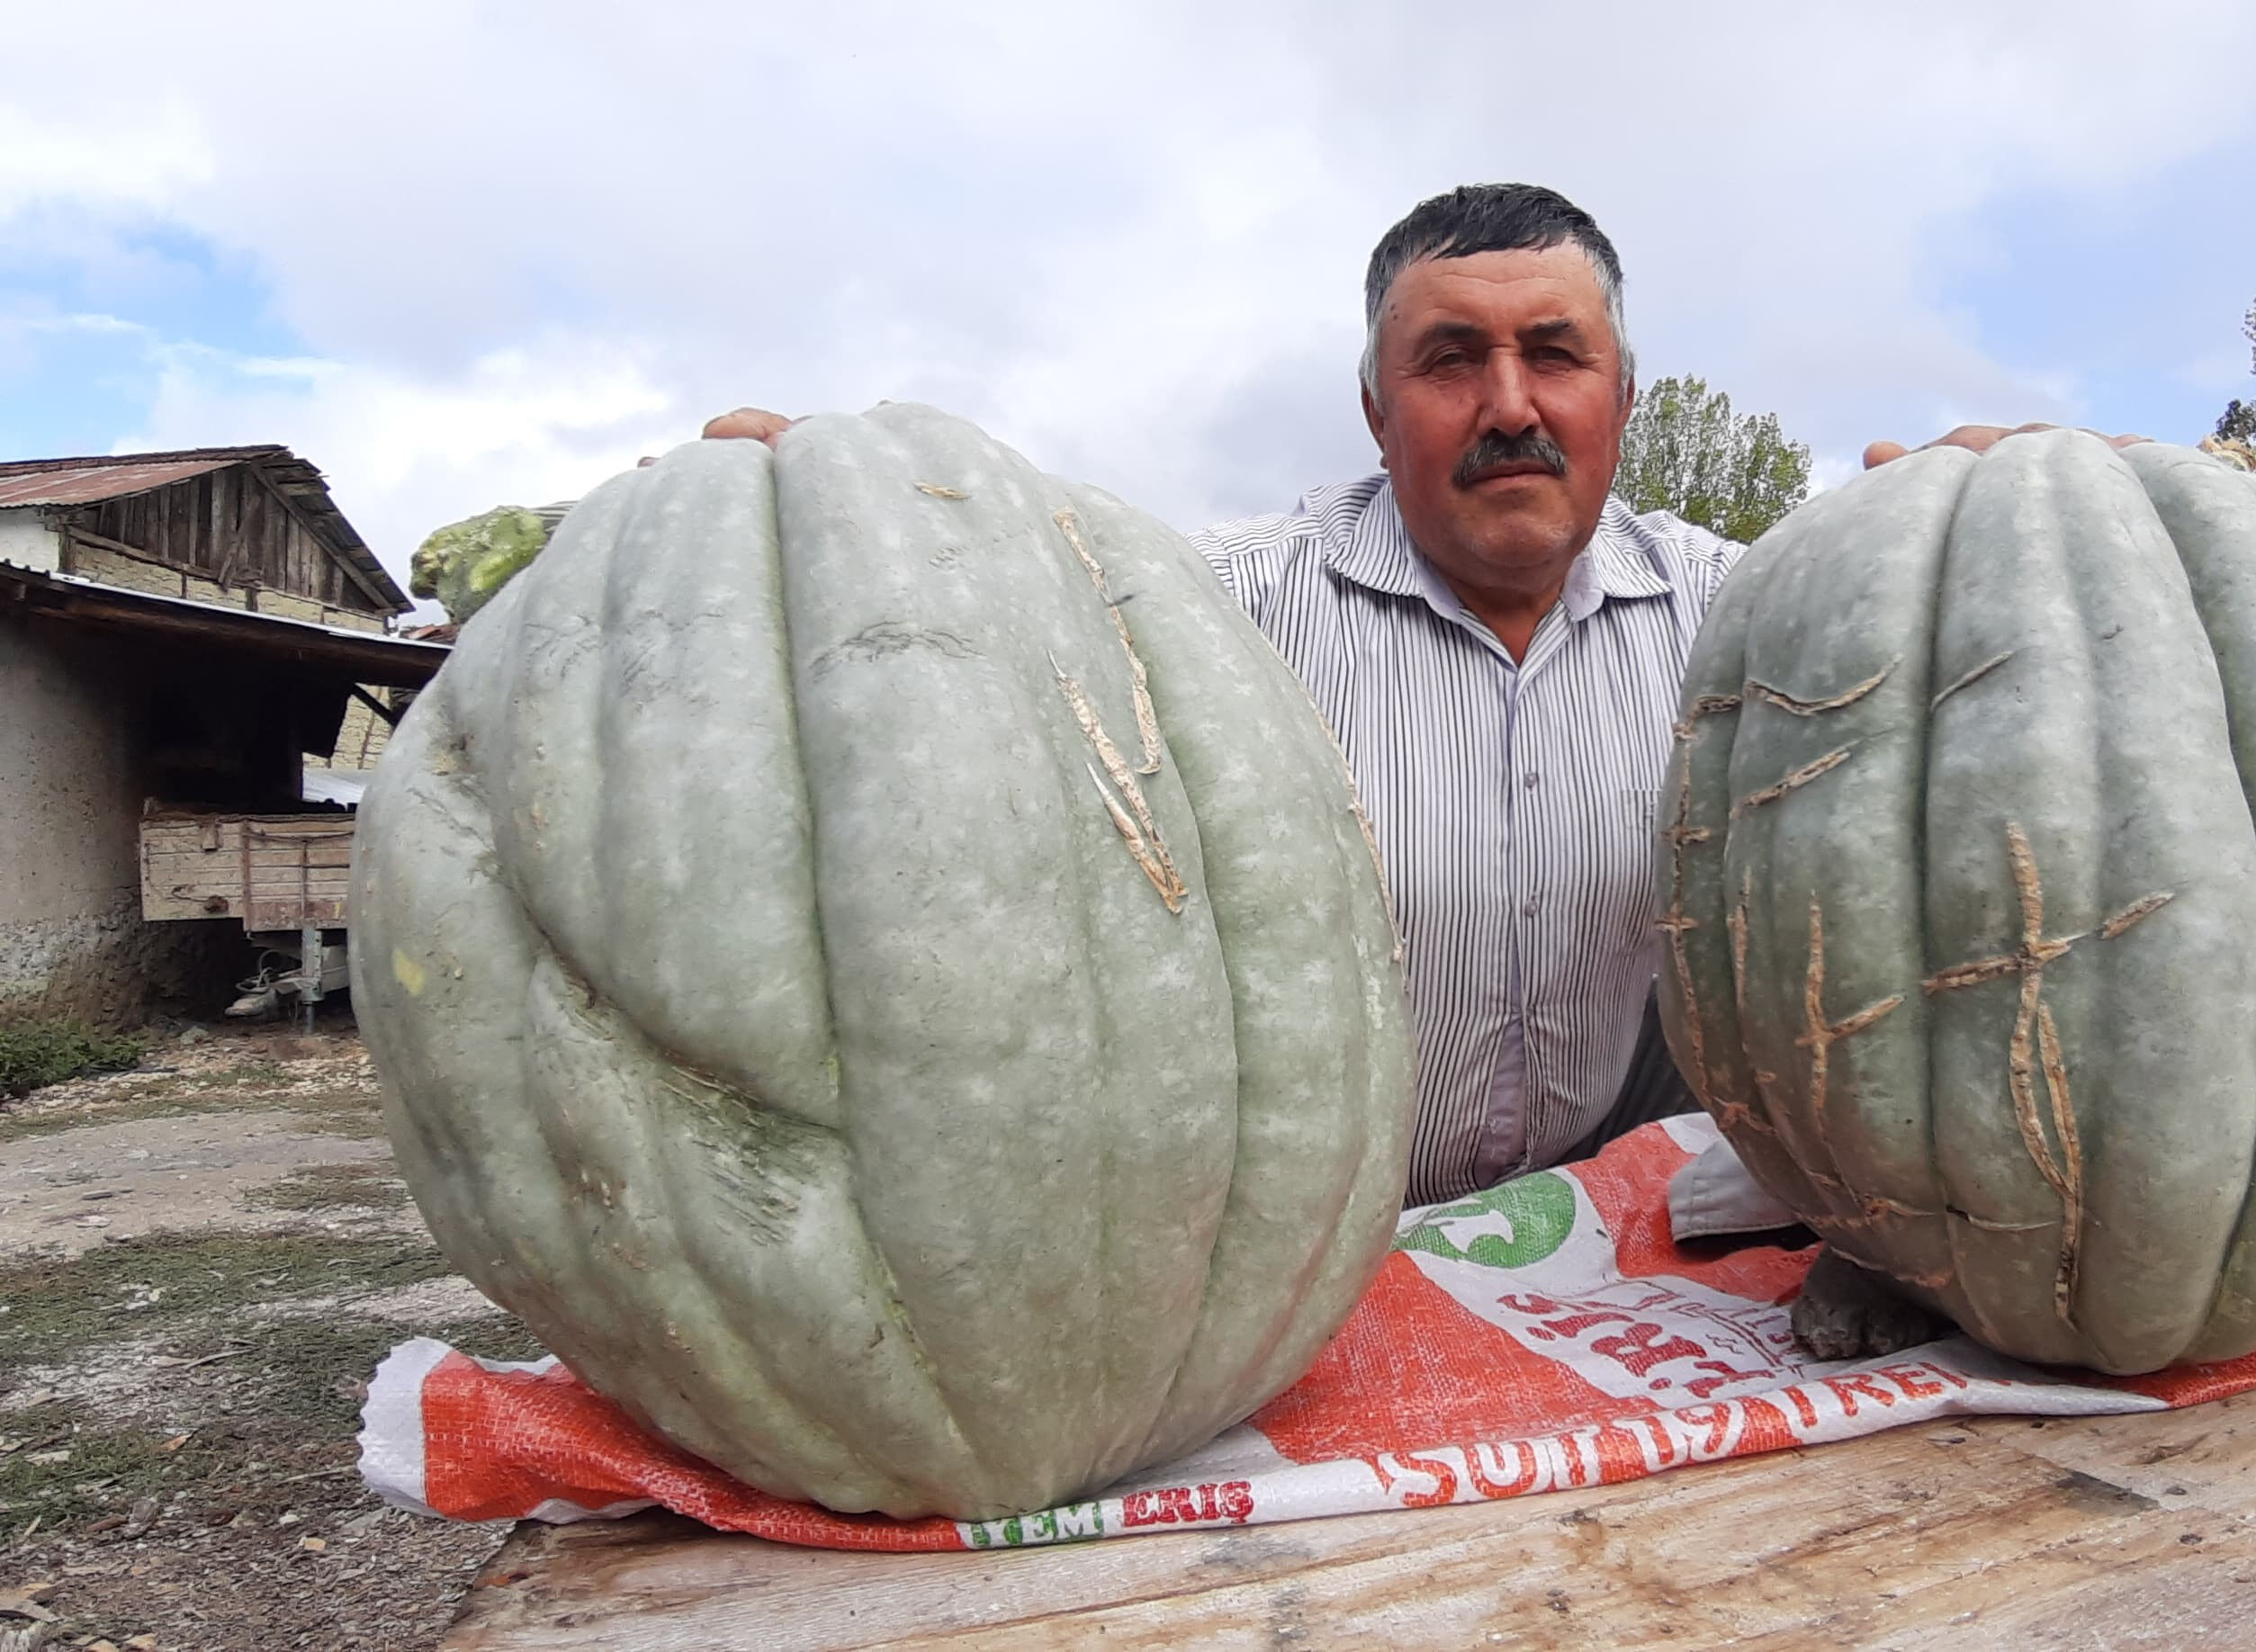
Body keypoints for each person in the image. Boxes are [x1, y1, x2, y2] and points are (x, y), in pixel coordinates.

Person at [702, 182, 2132, 1208]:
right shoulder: (1213, 605)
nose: (1509, 402)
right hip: (1298, 1263)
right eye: (1451, 360)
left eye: (1554, 355)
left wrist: (2007, 552)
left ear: (1622, 396)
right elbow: (983, 642)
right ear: (1379, 409)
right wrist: (823, 544)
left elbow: (1960, 792)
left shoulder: (1745, 616)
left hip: (1629, 1246)